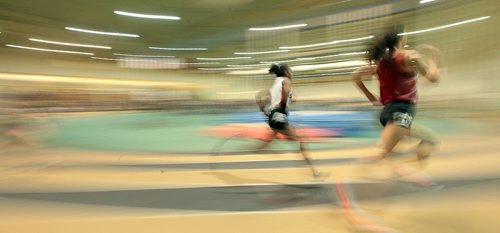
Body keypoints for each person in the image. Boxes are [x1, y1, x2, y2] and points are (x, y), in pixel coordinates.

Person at [351, 25, 441, 174]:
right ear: (401, 38)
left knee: (427, 140)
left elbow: (355, 76)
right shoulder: (408, 56)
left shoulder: (382, 63)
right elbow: (433, 78)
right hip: (401, 113)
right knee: (381, 153)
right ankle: (355, 174)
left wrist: (371, 97)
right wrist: (433, 62)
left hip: (388, 113)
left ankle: (404, 170)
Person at [256, 64, 323, 178]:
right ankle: (314, 172)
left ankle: (256, 149)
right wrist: (282, 108)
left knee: (273, 136)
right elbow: (286, 95)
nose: (292, 73)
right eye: (290, 71)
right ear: (286, 72)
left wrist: (265, 113)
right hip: (279, 114)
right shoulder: (286, 80)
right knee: (301, 140)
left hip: (274, 116)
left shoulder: (276, 83)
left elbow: (262, 102)